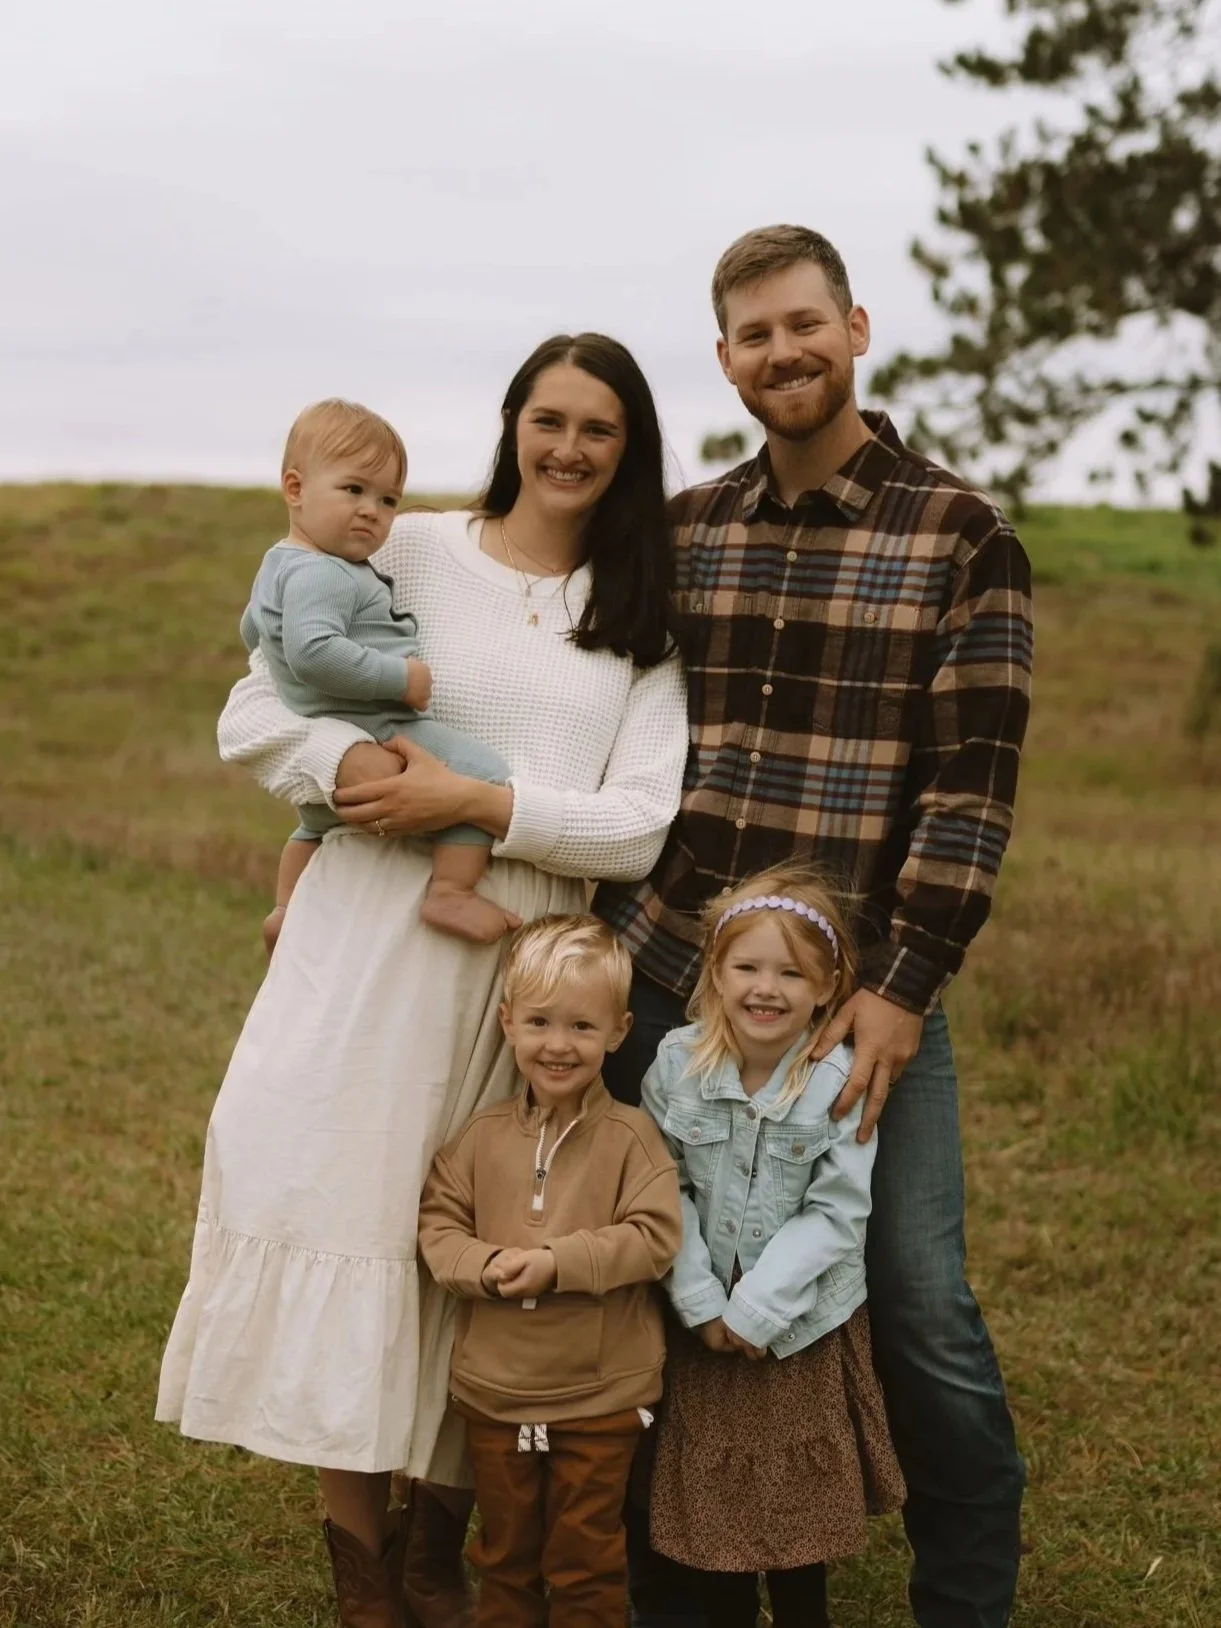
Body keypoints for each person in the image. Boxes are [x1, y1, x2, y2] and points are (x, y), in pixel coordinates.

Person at [156, 334, 689, 1628]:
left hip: (522, 964)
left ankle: (441, 1547)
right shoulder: (408, 548)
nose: (568, 448)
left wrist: (483, 803)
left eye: (599, 428)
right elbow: (256, 711)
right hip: (371, 942)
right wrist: (358, 775)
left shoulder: (638, 616)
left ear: (629, 451)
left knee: (489, 1238)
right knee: (354, 1214)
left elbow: (634, 827)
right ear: (512, 425)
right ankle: (362, 1570)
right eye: (548, 419)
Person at [597, 225, 1034, 1628]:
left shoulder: (959, 533)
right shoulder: (687, 530)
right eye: (753, 334)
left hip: (858, 999)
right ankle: (681, 1572)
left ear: (855, 327)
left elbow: (970, 790)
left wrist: (903, 987)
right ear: (725, 359)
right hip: (669, 975)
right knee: (653, 1276)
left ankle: (963, 1595)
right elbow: (591, 713)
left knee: (913, 1298)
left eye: (803, 323)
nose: (781, 352)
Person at [639, 864, 905, 1628]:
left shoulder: (837, 1082)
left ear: (826, 987)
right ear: (715, 973)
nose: (766, 988)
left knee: (795, 1501)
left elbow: (836, 1212)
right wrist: (701, 1302)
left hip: (798, 1328)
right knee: (716, 1496)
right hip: (703, 1321)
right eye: (747, 967)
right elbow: (660, 1188)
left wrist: (755, 1310)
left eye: (791, 973)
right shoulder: (676, 1065)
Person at [418, 914, 682, 1628]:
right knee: (504, 1555)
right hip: (496, 1393)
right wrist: (485, 1265)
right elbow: (438, 1225)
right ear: (507, 1021)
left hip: (600, 1397)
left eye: (582, 1027)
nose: (558, 1045)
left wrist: (557, 1264)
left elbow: (655, 1236)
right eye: (538, 1022)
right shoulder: (480, 1138)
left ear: (619, 1032)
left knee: (585, 1558)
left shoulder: (632, 1137)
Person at [242, 397, 517, 950]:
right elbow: (314, 653)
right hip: (377, 726)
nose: (372, 510)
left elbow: (253, 630)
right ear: (295, 489)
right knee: (484, 776)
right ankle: (451, 891)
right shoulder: (326, 573)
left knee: (313, 826)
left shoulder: (277, 564)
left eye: (388, 499)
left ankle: (286, 907)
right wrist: (402, 679)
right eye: (354, 490)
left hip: (325, 748)